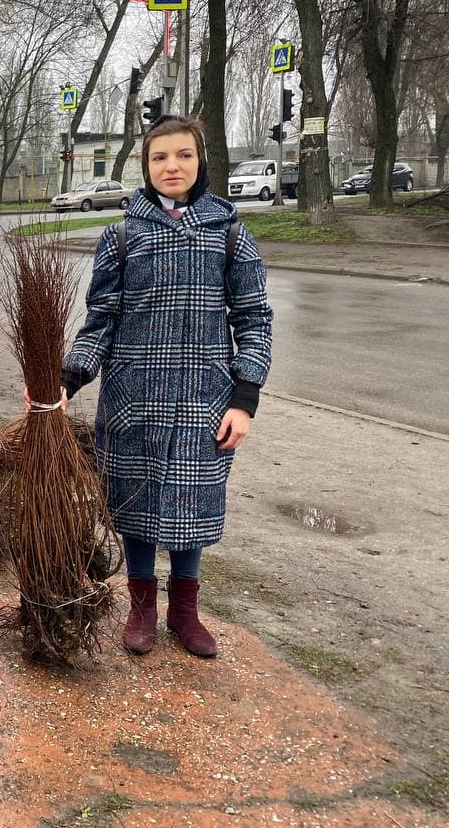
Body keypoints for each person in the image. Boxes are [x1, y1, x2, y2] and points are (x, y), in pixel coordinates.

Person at [58, 115, 273, 659]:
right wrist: (70, 377)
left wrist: (244, 400)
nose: (171, 166)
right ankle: (142, 608)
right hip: (134, 399)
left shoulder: (229, 235)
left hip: (206, 400)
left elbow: (254, 320)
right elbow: (100, 319)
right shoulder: (123, 237)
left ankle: (185, 612)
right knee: (136, 507)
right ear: (146, 166)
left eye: (182, 156)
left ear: (201, 161)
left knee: (191, 508)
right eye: (159, 158)